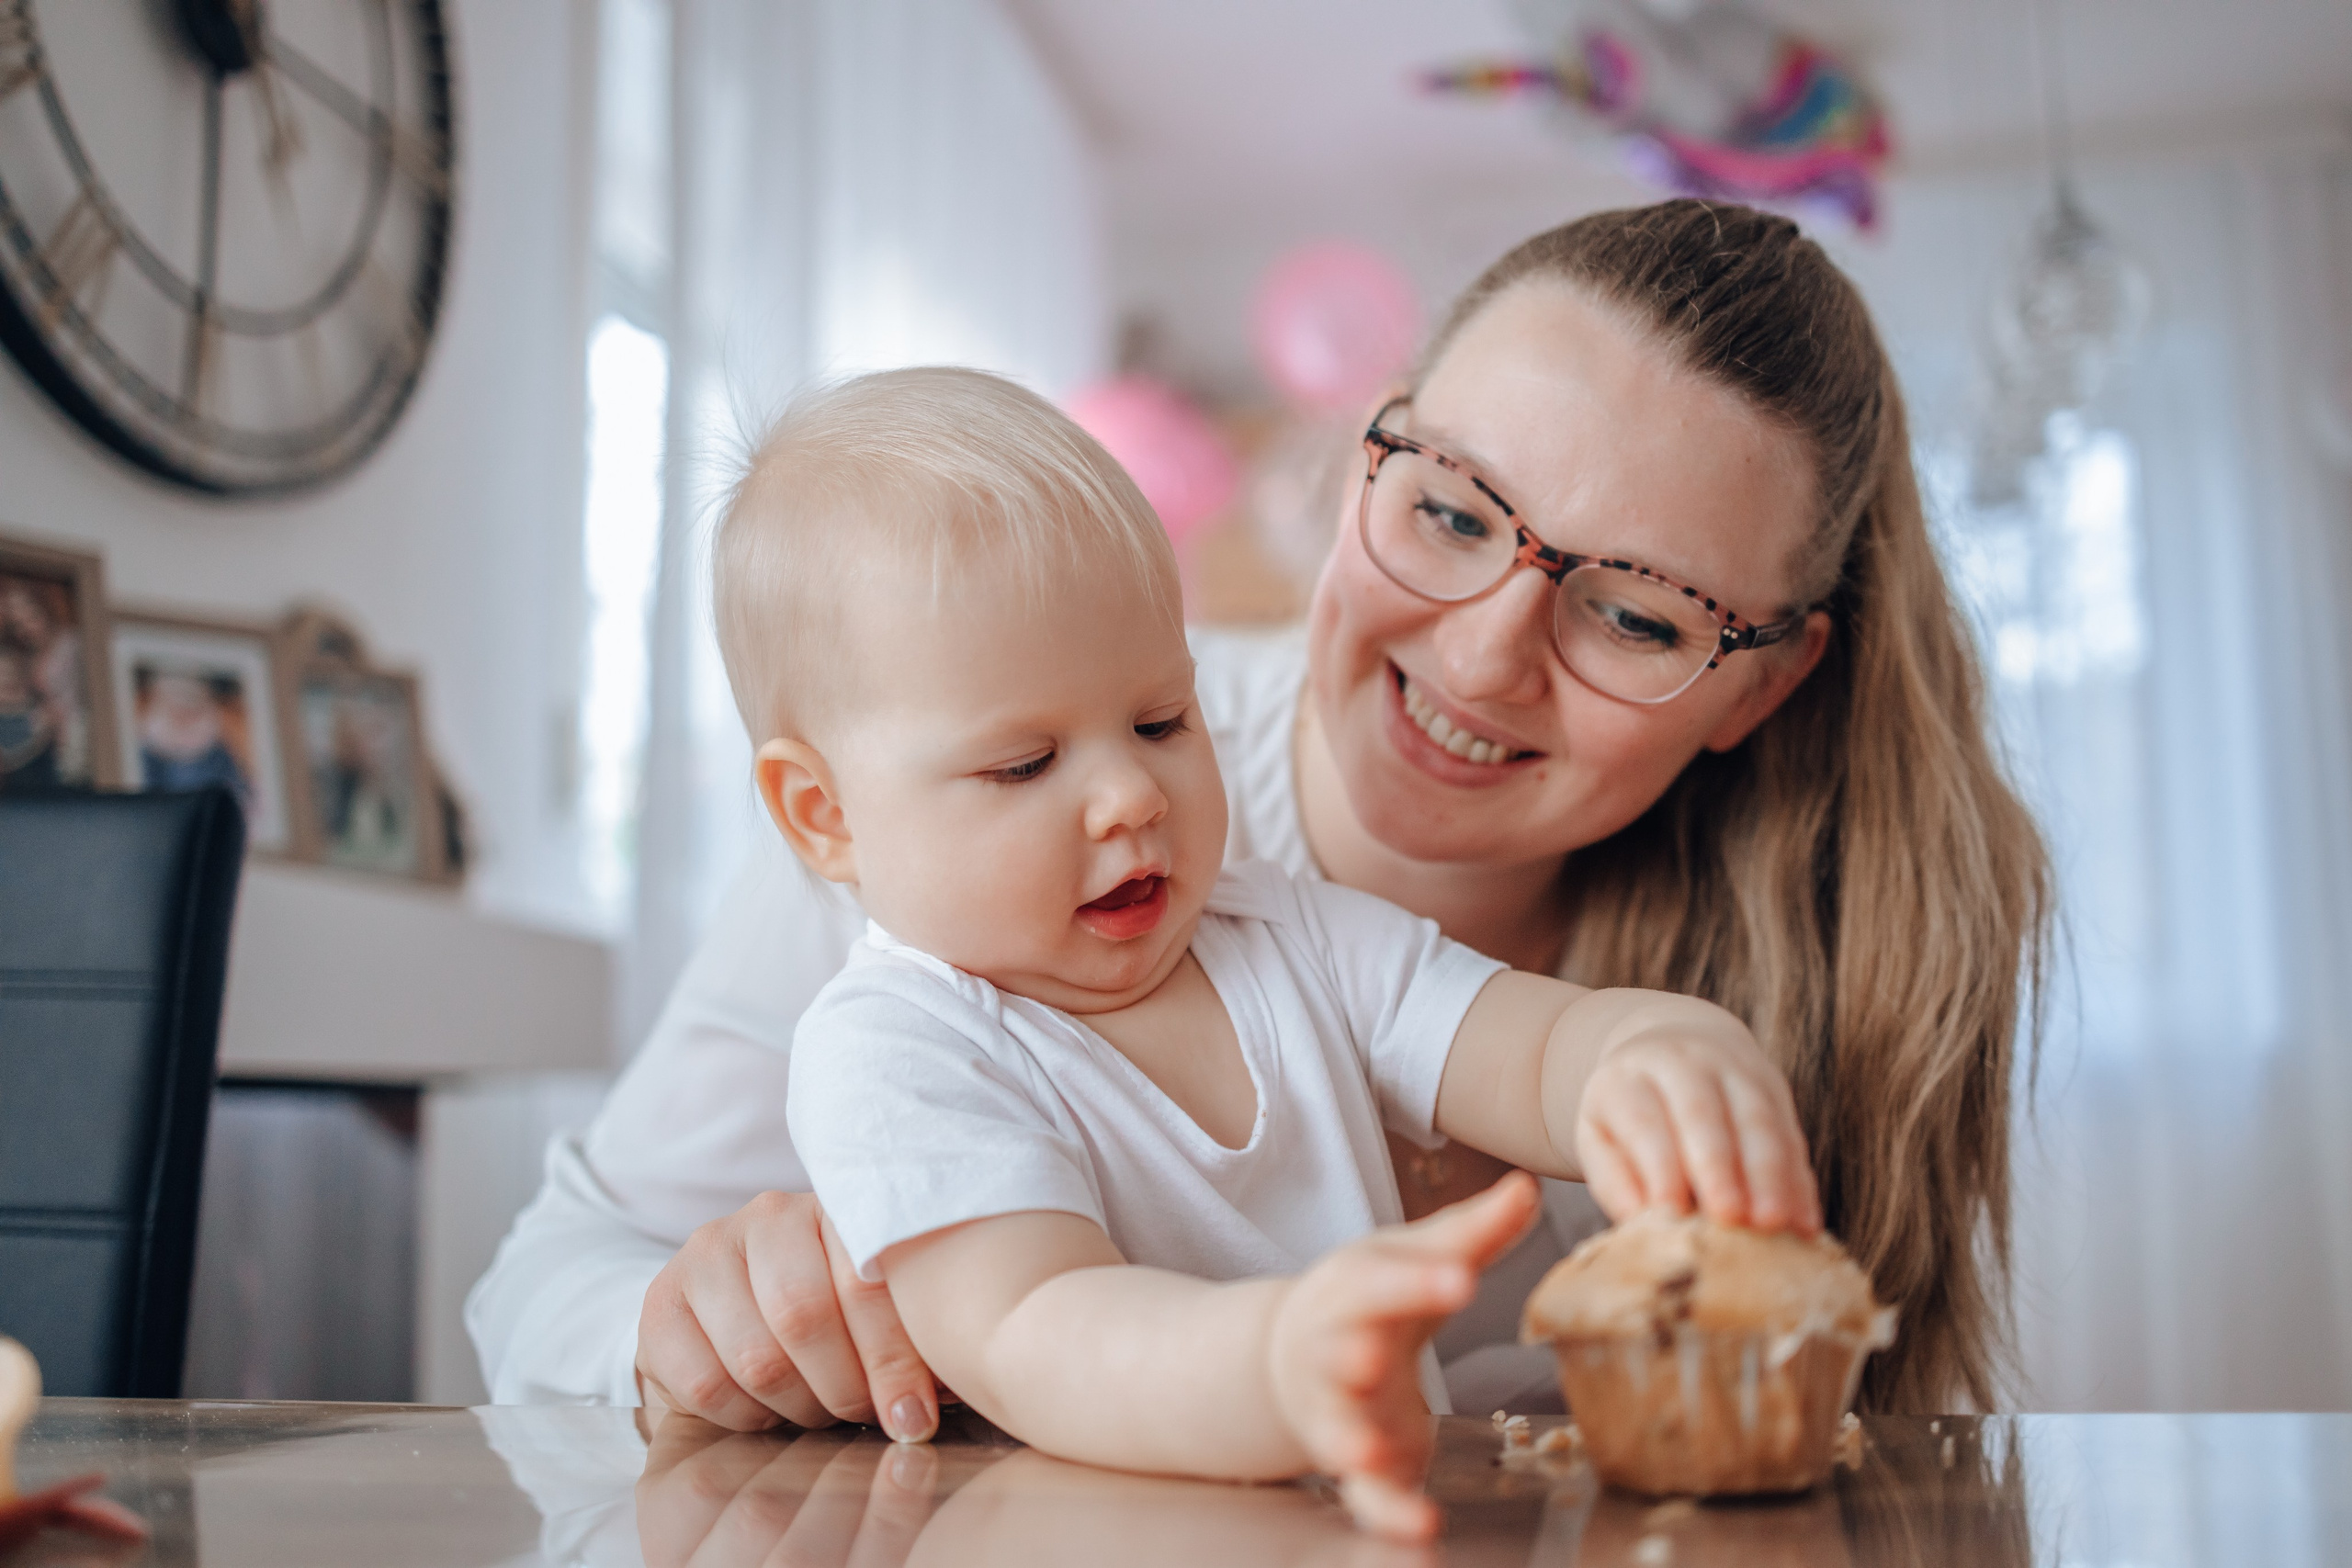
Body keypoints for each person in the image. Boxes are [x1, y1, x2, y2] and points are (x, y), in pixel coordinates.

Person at [469, 198, 2048, 1431]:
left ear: (1758, 691)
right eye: (1448, 513)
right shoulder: (937, 800)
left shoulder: (1322, 939)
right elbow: (544, 1281)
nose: (1480, 657)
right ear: (1371, 452)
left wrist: (1655, 1047)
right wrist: (683, 1322)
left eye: (1639, 617)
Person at [707, 367, 1817, 1534]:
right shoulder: (891, 1050)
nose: (1130, 796)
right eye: (1023, 765)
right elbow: (1036, 1331)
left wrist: (1654, 1050)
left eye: (1160, 722)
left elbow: (1533, 1052)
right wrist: (1277, 1362)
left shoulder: (1285, 932)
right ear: (823, 813)